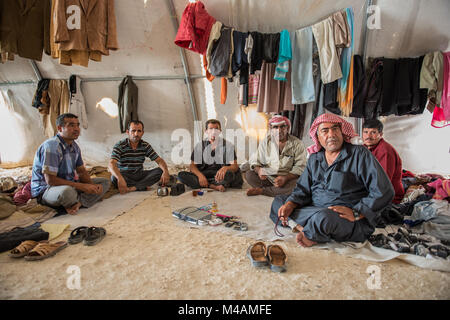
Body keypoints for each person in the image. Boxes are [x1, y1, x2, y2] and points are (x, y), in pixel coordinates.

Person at [270, 113, 394, 247]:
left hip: (344, 218)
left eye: (335, 129)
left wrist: (357, 212)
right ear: (317, 136)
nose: (331, 134)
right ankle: (306, 229)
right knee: (280, 203)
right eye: (325, 130)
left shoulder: (359, 154)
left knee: (324, 218)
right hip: (315, 210)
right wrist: (291, 204)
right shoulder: (315, 158)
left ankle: (310, 228)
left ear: (342, 132)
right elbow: (302, 189)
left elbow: (384, 190)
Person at [31, 113, 110, 215]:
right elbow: (50, 180)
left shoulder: (74, 146)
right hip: (47, 190)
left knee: (104, 182)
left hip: (69, 184)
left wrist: (91, 186)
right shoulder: (52, 147)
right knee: (67, 192)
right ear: (60, 128)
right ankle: (78, 201)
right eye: (71, 125)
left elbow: (81, 171)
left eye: (77, 125)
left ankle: (78, 203)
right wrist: (81, 186)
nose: (77, 129)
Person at [245, 115, 307, 197]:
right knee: (249, 175)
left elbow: (300, 167)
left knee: (300, 183)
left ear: (287, 128)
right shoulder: (266, 142)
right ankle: (276, 191)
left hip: (288, 178)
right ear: (271, 129)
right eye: (275, 127)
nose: (279, 130)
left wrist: (285, 178)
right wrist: (259, 170)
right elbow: (256, 161)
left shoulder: (297, 144)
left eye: (282, 127)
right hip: (269, 178)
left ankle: (263, 191)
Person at [177, 119, 243, 192]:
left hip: (220, 175)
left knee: (230, 174)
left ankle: (207, 184)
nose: (214, 132)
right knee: (181, 175)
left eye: (216, 129)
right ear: (206, 131)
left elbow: (235, 166)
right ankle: (213, 186)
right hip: (205, 174)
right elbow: (192, 166)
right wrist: (200, 176)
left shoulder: (228, 146)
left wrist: (226, 168)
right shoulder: (200, 146)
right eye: (211, 129)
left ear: (220, 131)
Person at [109, 120, 171, 194]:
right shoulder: (120, 145)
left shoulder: (145, 145)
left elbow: (159, 160)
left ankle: (134, 188)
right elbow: (111, 163)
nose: (136, 134)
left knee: (160, 171)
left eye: (139, 131)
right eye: (133, 131)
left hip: (139, 174)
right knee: (114, 178)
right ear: (127, 132)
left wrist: (166, 172)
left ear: (142, 133)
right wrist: (120, 178)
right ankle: (142, 186)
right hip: (125, 175)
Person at [362, 119, 405, 204]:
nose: (368, 136)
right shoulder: (366, 147)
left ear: (380, 134)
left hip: (388, 198)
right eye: (365, 132)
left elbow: (383, 184)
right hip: (373, 191)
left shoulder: (385, 151)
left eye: (373, 132)